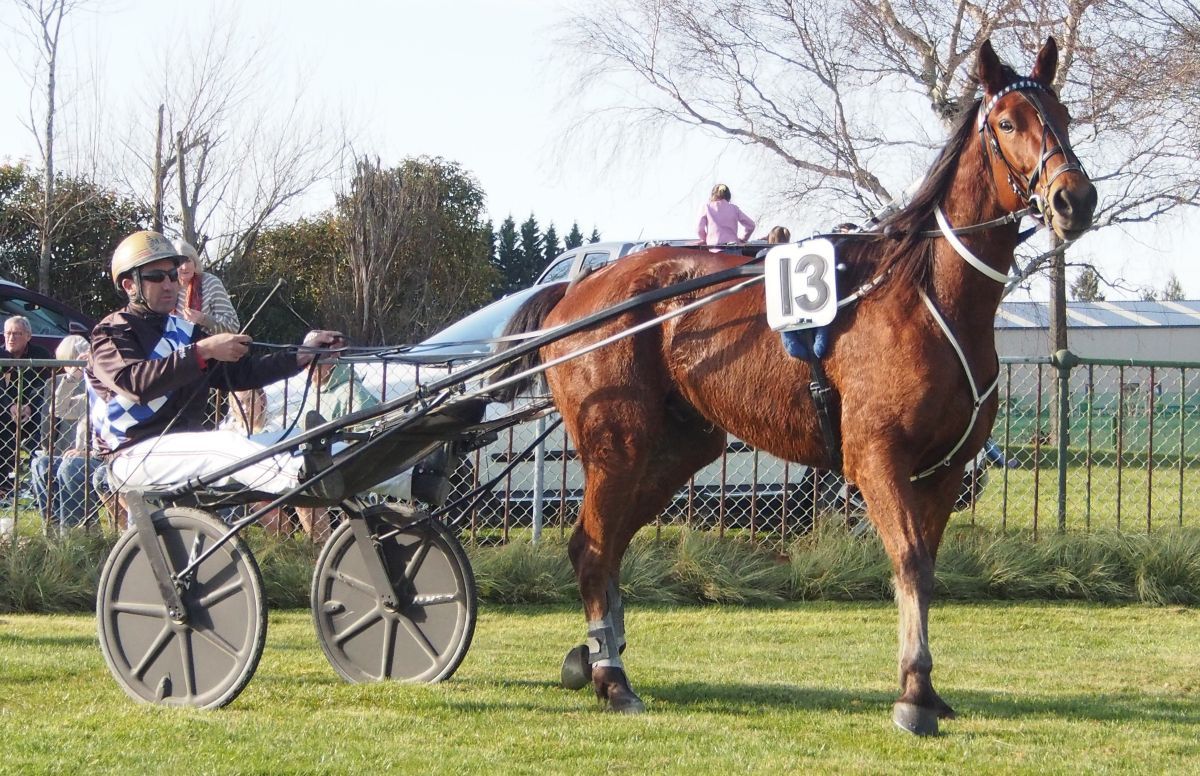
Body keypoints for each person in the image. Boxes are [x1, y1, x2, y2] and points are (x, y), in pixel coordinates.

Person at [86, 230, 345, 501]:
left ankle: (369, 475)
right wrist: (204, 350)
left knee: (290, 442)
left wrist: (301, 355)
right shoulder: (111, 333)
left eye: (173, 276)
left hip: (185, 449)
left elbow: (241, 373)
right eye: (156, 277)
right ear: (130, 285)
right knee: (225, 443)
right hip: (132, 454)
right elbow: (134, 383)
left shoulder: (185, 331)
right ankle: (307, 478)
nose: (169, 285)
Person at [31, 335, 101, 529]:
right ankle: (52, 528)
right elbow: (59, 410)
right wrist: (73, 377)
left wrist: (89, 453)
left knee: (71, 466)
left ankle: (74, 536)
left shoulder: (116, 393)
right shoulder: (90, 396)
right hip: (81, 457)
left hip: (103, 458)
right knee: (41, 463)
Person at [0, 315, 51, 500]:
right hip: (5, 411)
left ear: (28, 336)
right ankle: (3, 486)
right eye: (8, 333)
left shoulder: (40, 354)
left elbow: (44, 384)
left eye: (17, 333)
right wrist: (10, 405)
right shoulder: (1, 356)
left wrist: (28, 404)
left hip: (33, 410)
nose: (11, 338)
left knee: (43, 422)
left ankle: (38, 483)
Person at [173, 238, 240, 334]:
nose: (184, 267)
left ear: (195, 262)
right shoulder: (167, 287)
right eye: (179, 263)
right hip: (173, 347)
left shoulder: (210, 283)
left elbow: (233, 326)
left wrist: (204, 319)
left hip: (209, 346)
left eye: (188, 261)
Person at [697, 183, 755, 248]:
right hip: (733, 248)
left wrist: (707, 239)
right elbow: (751, 225)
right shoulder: (734, 209)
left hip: (714, 248)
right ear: (728, 196)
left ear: (713, 195)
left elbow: (699, 230)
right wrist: (742, 240)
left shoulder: (707, 207)